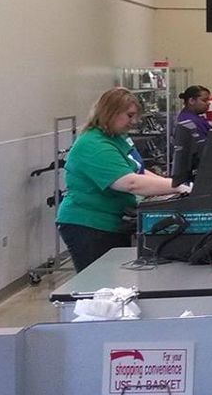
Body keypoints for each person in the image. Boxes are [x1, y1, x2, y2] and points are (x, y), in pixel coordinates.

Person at [57, 87, 188, 272]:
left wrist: (173, 185)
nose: (134, 121)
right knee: (98, 282)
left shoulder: (117, 138)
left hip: (113, 223)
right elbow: (130, 182)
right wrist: (177, 186)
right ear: (110, 112)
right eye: (129, 115)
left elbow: (138, 170)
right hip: (89, 224)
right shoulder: (94, 144)